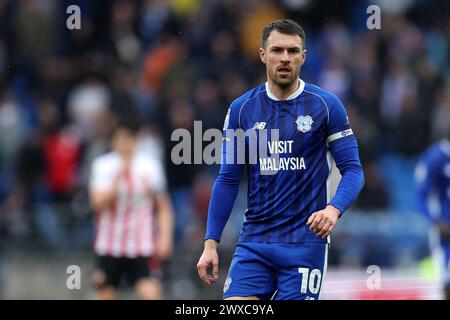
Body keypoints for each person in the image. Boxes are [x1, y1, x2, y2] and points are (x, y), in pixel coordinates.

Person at [196, 19, 364, 300]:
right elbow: (227, 179)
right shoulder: (242, 109)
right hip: (255, 240)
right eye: (277, 50)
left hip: (304, 242)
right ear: (263, 55)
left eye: (292, 51)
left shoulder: (325, 105)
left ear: (303, 56)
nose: (285, 58)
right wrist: (211, 242)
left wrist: (333, 210)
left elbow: (353, 170)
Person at [89, 117, 174, 300]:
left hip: (142, 244)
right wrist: (118, 179)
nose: (125, 144)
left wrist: (165, 238)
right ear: (113, 141)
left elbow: (163, 206)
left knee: (150, 293)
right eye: (120, 139)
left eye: (129, 138)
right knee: (105, 295)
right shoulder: (103, 166)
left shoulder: (149, 166)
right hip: (110, 245)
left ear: (136, 140)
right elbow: (96, 204)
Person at [415, 135, 450, 300]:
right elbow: (421, 194)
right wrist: (436, 221)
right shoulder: (436, 157)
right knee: (446, 278)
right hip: (445, 230)